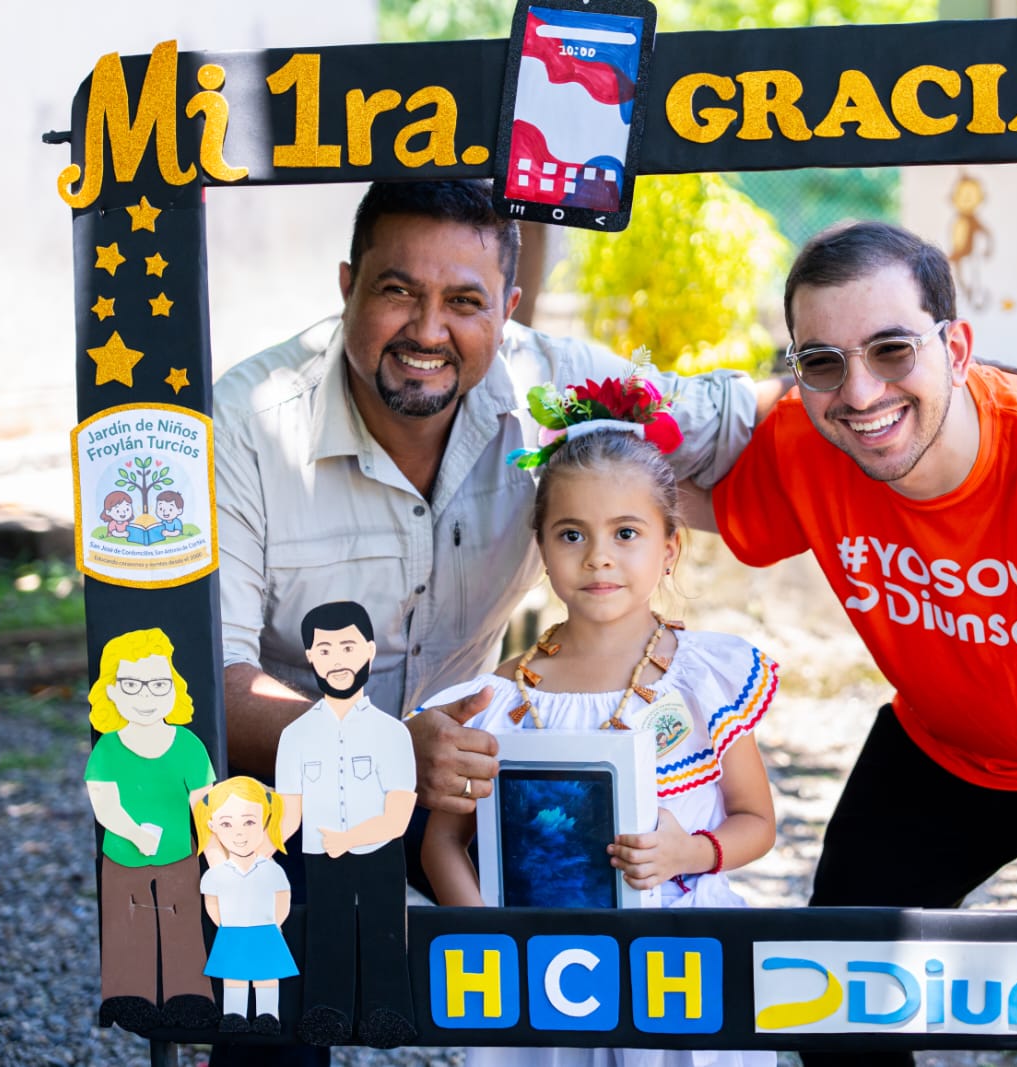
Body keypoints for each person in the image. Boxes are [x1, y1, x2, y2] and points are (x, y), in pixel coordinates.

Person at [710, 221, 1017, 1067]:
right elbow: (681, 505)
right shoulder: (803, 439)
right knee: (832, 1004)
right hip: (939, 748)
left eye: (892, 349)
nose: (859, 392)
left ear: (956, 348)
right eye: (822, 362)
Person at [213, 178, 778, 831]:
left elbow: (741, 420)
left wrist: (858, 378)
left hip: (462, 799)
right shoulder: (246, 425)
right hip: (281, 809)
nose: (428, 330)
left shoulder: (552, 385)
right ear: (347, 286)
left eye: (464, 301)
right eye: (397, 291)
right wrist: (382, 752)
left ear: (508, 309)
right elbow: (215, 678)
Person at [418, 375, 778, 1067]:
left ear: (669, 548)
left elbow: (756, 820)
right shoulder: (500, 698)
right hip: (545, 979)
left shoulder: (703, 681)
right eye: (571, 533)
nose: (598, 556)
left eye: (626, 532)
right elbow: (444, 845)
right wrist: (495, 947)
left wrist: (689, 853)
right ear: (541, 545)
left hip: (679, 972)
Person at [275, 600, 418, 1048]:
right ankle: (326, 1014)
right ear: (310, 657)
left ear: (370, 651)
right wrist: (249, 851)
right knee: (325, 932)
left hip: (379, 852)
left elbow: (398, 815)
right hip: (320, 855)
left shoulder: (393, 734)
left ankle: (388, 1014)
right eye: (325, 650)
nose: (337, 660)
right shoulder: (294, 736)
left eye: (348, 647)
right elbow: (288, 812)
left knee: (385, 931)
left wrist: (349, 838)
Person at [83, 627, 218, 1035]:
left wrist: (216, 856)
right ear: (112, 690)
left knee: (183, 923)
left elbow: (205, 805)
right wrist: (135, 833)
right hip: (122, 856)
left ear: (174, 687)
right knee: (128, 924)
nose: (146, 696)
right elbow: (104, 804)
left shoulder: (189, 746)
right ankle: (128, 997)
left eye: (158, 684)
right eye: (132, 685)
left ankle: (189, 996)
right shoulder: (108, 749)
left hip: (179, 855)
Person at [195, 776, 298, 1034]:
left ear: (266, 822)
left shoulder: (271, 870)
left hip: (265, 929)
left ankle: (267, 1015)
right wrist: (224, 925)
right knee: (234, 978)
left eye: (249, 822)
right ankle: (234, 1015)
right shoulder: (216, 875)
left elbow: (282, 898)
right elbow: (212, 904)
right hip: (233, 931)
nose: (239, 832)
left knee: (267, 977)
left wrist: (276, 922)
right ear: (212, 826)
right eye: (226, 824)